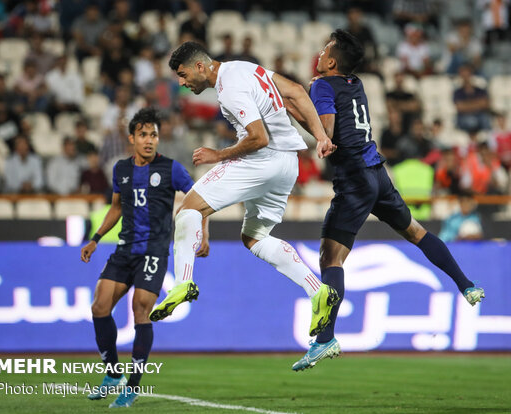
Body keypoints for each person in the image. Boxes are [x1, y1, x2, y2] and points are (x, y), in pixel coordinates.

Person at [290, 30, 485, 371]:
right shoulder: (356, 83)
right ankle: (466, 285)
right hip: (378, 172)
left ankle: (325, 339)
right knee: (415, 231)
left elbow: (329, 132)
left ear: (332, 60)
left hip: (353, 177)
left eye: (324, 50)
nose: (319, 54)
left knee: (330, 257)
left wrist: (299, 109)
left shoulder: (322, 85)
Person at [148, 42, 340, 343]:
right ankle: (318, 291)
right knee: (255, 237)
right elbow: (296, 91)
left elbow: (258, 138)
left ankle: (182, 283)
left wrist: (219, 154)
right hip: (288, 164)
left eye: (184, 76)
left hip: (262, 160)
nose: (183, 84)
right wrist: (320, 137)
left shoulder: (228, 87)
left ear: (201, 66)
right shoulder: (244, 67)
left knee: (187, 209)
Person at [80, 108, 198, 408]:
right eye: (143, 135)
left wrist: (203, 233)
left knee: (139, 310)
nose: (149, 140)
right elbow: (116, 208)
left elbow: (199, 198)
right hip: (124, 250)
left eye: (154, 135)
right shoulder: (121, 169)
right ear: (131, 138)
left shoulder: (171, 169)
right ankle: (112, 374)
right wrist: (94, 238)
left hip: (154, 252)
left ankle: (132, 386)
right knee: (99, 305)